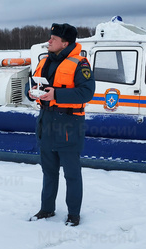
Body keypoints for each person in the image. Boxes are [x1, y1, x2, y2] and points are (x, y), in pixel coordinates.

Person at [27, 23, 95, 227]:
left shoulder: (80, 64)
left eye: (53, 39)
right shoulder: (44, 61)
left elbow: (87, 92)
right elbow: (31, 84)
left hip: (68, 125)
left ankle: (74, 213)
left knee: (72, 174)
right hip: (46, 123)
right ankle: (47, 209)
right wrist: (30, 93)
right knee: (48, 171)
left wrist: (57, 93)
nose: (49, 41)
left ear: (65, 43)